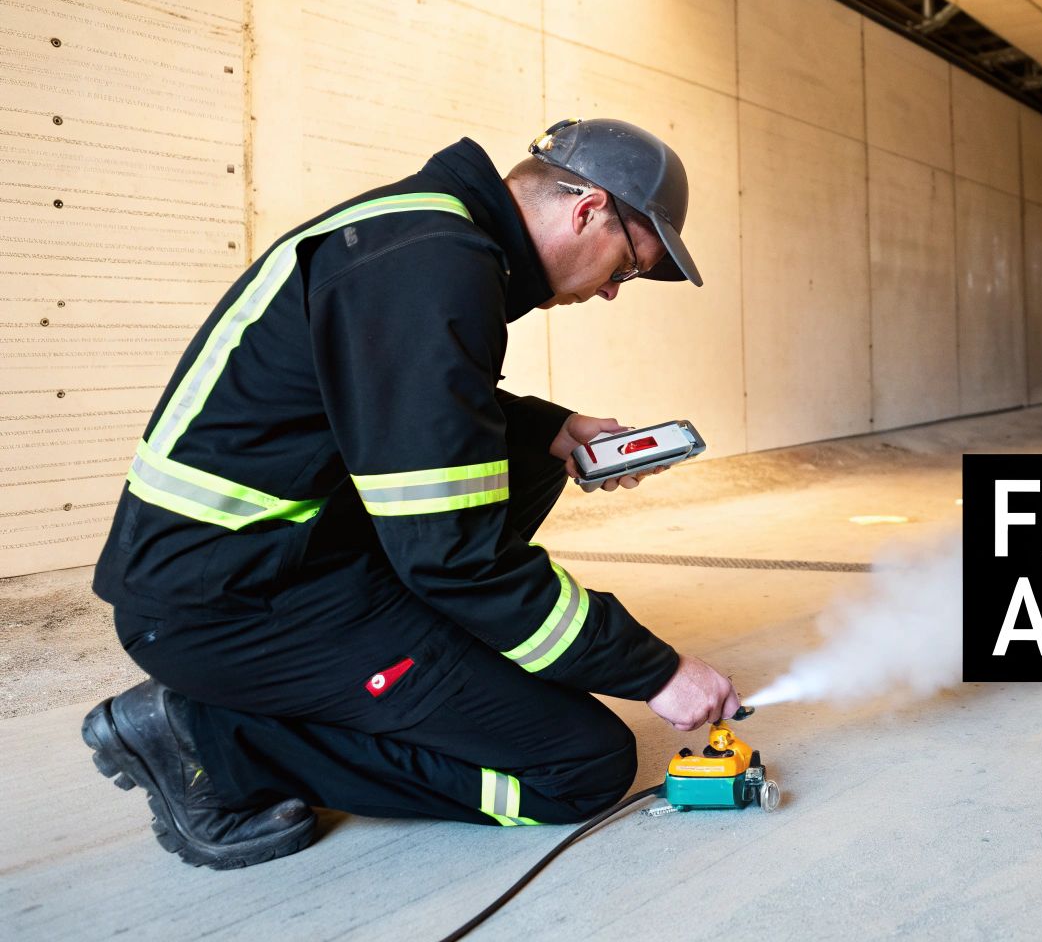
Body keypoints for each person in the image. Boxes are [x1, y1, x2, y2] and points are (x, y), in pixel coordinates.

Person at [80, 119, 741, 869]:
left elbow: (399, 409)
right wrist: (656, 671)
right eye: (625, 267)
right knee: (579, 767)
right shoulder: (432, 273)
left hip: (256, 562)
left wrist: (551, 431)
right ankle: (209, 740)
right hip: (228, 606)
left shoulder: (427, 236)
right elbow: (459, 560)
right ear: (588, 209)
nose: (614, 293)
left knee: (518, 459)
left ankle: (405, 653)